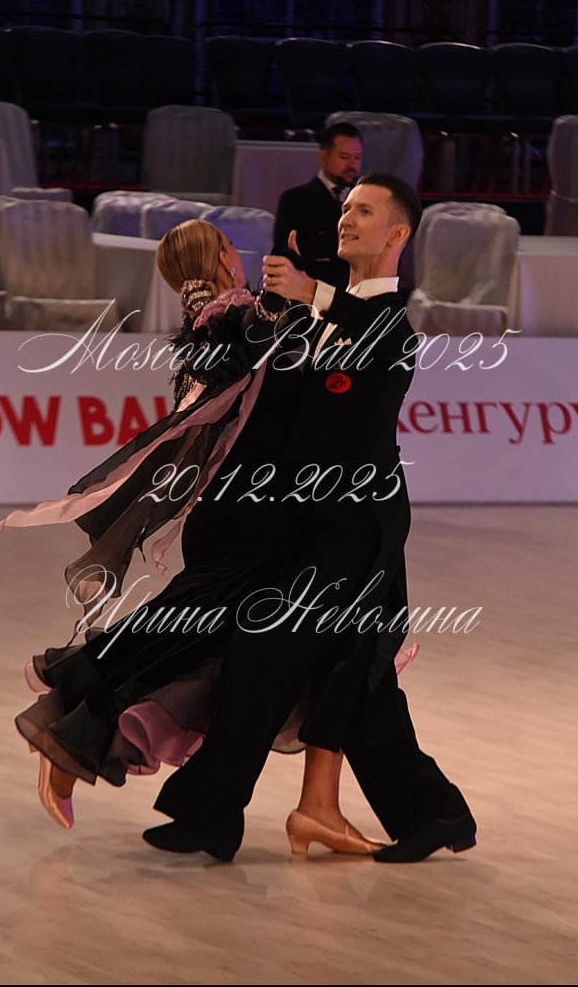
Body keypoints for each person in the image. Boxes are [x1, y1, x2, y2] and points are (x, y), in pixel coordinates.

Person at [0, 218, 416, 852]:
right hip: (248, 520)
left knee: (218, 647)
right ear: (224, 258)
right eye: (232, 247)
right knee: (182, 636)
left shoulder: (227, 319)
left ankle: (287, 803)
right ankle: (73, 734)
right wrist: (297, 302)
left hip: (258, 513)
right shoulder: (241, 318)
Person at [143, 173, 477, 864]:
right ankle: (434, 812)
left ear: (398, 233)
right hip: (307, 521)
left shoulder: (388, 324)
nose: (347, 218)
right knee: (348, 676)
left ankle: (211, 815)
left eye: (365, 210)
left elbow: (378, 341)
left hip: (359, 526)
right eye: (346, 207)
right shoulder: (317, 316)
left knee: (266, 652)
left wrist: (312, 292)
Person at [272, 122, 363, 289]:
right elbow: (285, 250)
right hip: (311, 291)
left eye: (357, 158)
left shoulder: (367, 200)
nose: (352, 165)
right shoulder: (295, 199)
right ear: (323, 156)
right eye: (344, 157)